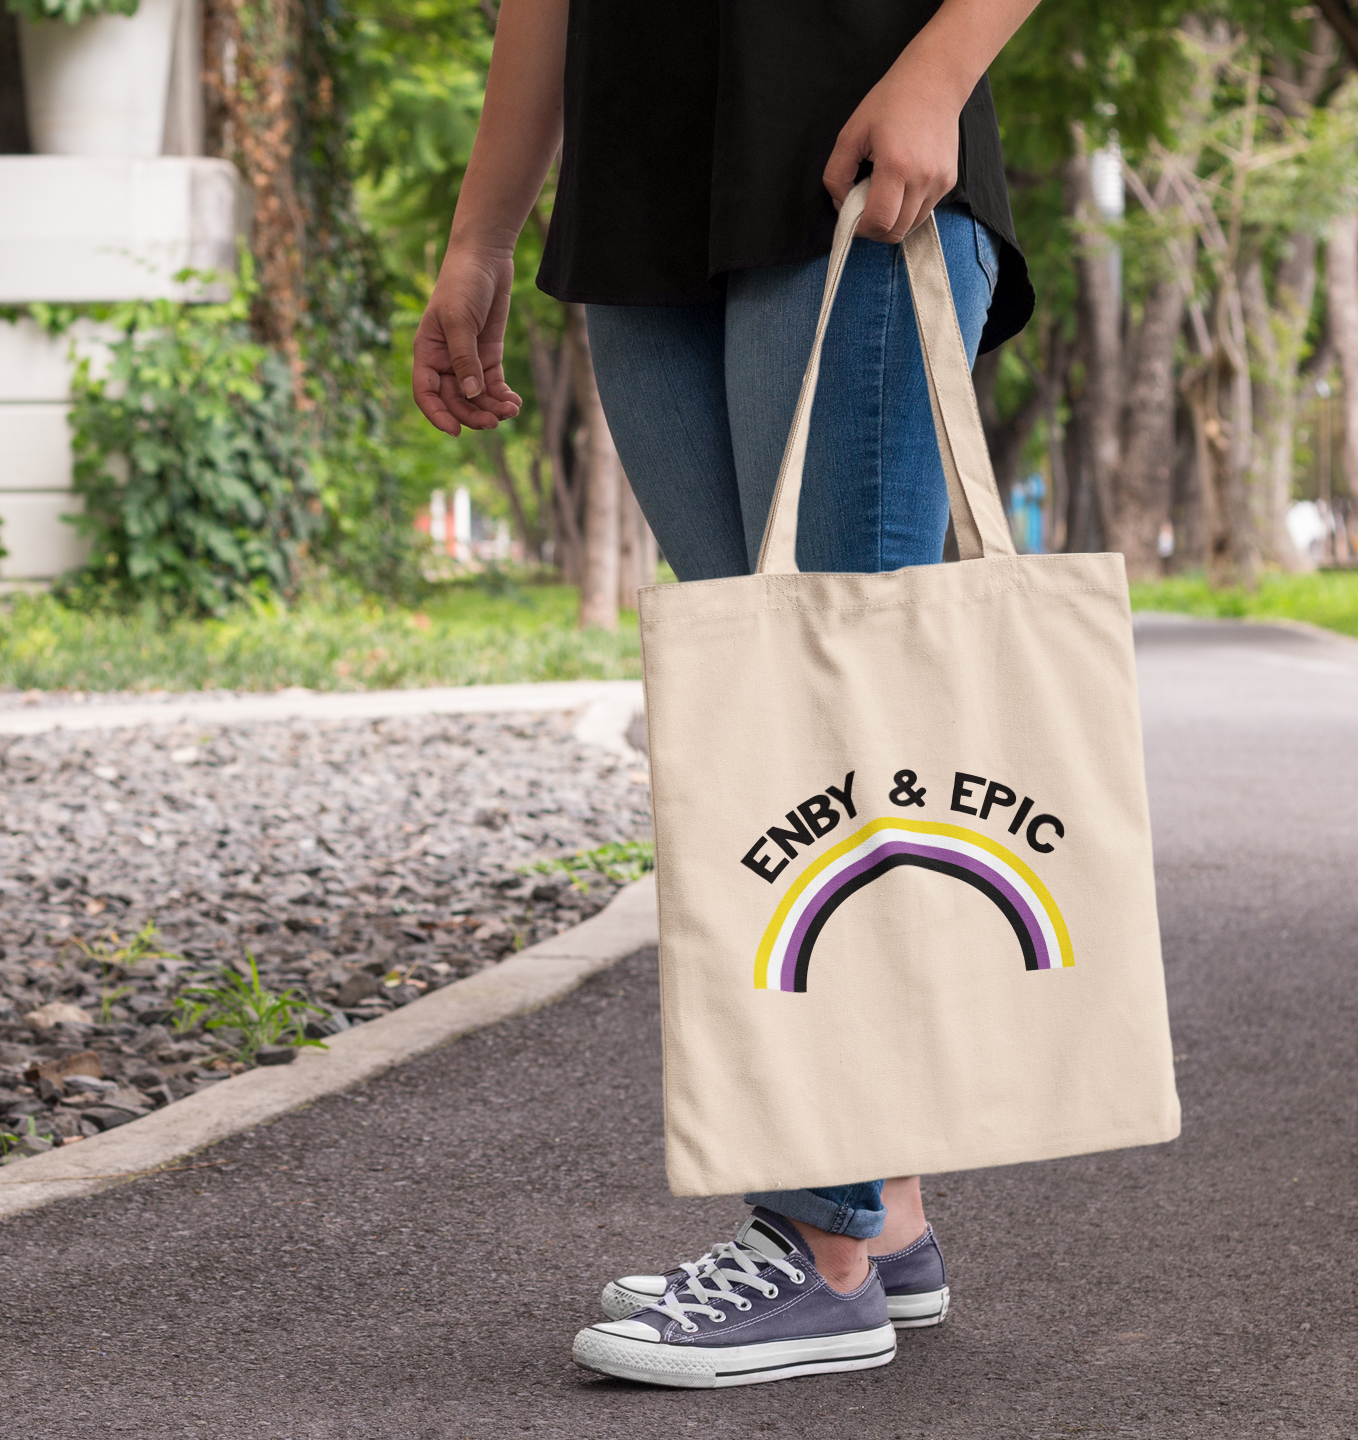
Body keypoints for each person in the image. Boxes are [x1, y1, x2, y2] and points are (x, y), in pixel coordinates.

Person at [415, 0, 1041, 1389]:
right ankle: (886, 1218)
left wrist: (940, 73)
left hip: (864, 128)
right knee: (764, 721)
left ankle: (818, 1256)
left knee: (831, 708)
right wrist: (481, 234)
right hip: (643, 178)